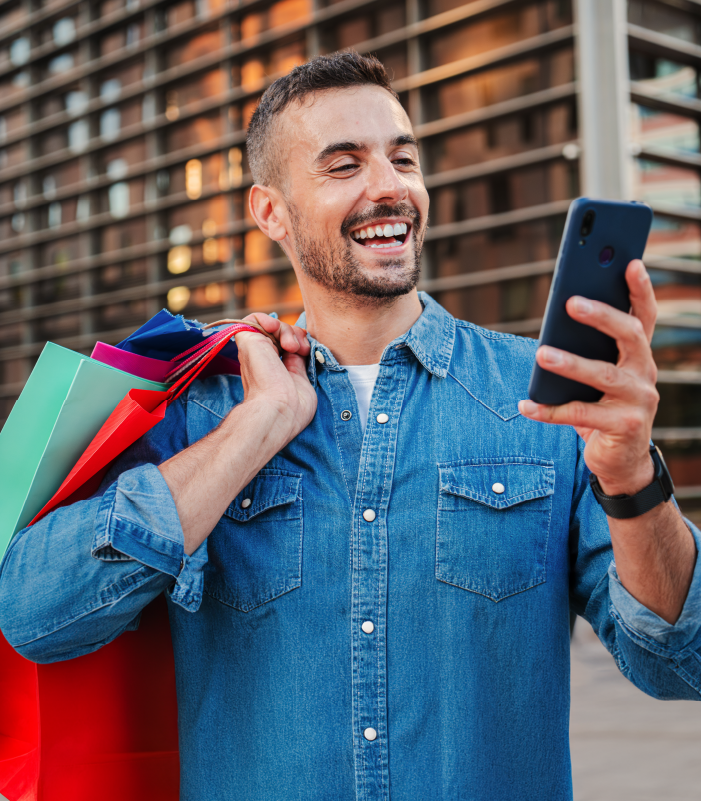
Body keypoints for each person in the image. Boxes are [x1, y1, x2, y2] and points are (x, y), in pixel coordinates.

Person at [1, 51, 700, 801]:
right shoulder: (200, 412)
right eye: (343, 164)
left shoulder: (545, 404)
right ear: (270, 211)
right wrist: (258, 426)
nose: (389, 186)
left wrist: (631, 479)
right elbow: (36, 616)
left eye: (403, 157)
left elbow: (675, 661)